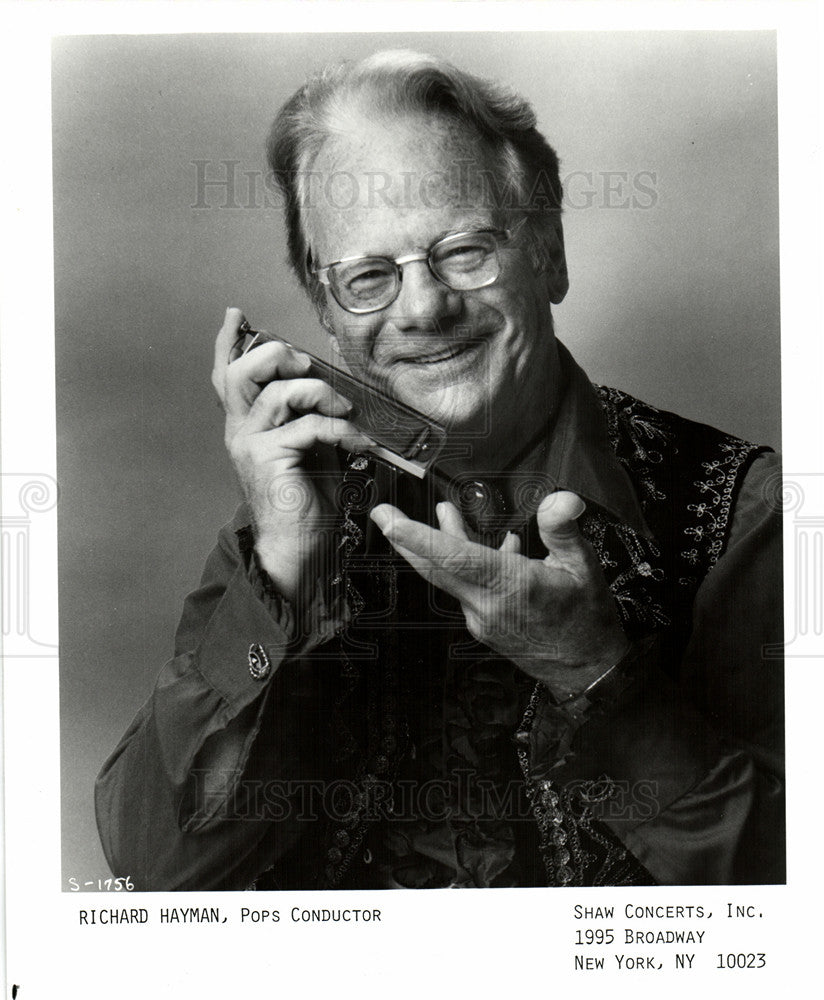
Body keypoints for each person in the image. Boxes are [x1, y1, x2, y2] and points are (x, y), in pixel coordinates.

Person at [95, 50, 784, 890]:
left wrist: (598, 674)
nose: (423, 310)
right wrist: (282, 566)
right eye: (370, 277)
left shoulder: (755, 513)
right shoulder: (289, 509)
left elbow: (792, 901)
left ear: (551, 255)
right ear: (326, 313)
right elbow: (161, 877)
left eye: (464, 252)